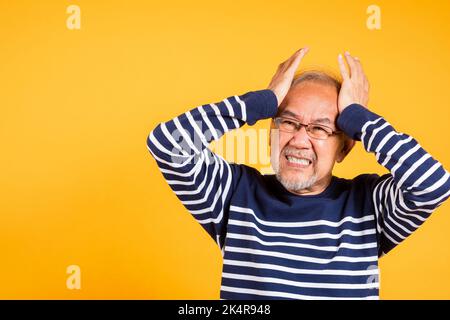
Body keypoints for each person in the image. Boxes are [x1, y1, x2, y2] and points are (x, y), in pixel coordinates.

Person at [146, 48, 450, 299]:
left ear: (344, 149)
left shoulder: (368, 204)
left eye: (320, 128)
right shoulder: (233, 193)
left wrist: (358, 118)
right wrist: (261, 102)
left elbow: (433, 186)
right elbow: (167, 144)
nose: (299, 140)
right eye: (288, 123)